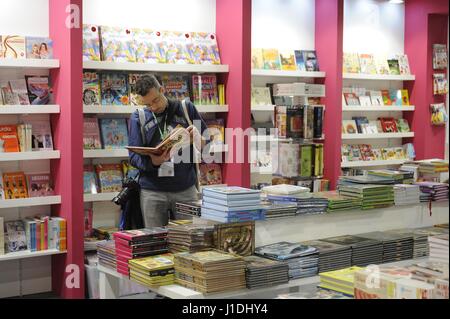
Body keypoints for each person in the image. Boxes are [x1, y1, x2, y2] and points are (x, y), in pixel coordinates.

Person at [128, 75, 208, 227]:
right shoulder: (138, 117)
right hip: (152, 191)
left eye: (156, 100)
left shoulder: (186, 108)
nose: (153, 107)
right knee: (155, 242)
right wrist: (153, 161)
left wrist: (197, 138)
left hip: (185, 188)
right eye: (147, 104)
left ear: (162, 90)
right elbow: (133, 157)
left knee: (190, 240)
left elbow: (207, 142)